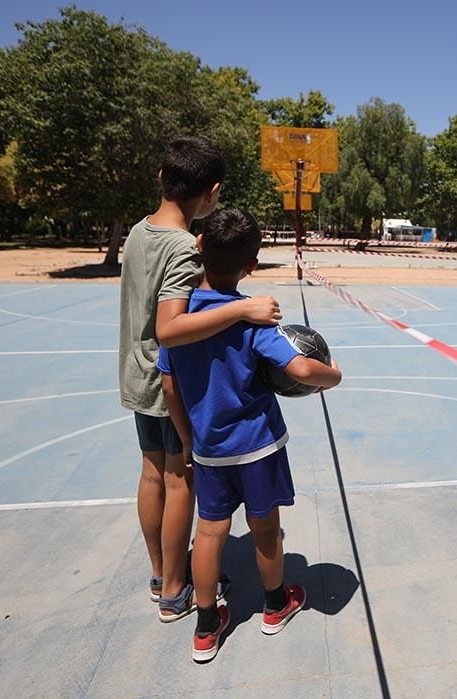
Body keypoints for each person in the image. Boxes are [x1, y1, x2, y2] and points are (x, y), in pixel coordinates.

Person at [157, 206, 342, 663]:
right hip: (258, 445)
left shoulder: (178, 320)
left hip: (210, 450)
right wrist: (334, 375)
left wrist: (186, 438)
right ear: (251, 265)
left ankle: (204, 627)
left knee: (211, 532)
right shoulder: (252, 320)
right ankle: (276, 605)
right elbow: (300, 368)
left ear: (199, 247)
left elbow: (168, 385)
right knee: (265, 530)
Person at [118, 136, 282, 622]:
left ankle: (159, 573)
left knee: (151, 474)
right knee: (180, 478)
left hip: (134, 373)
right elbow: (169, 328)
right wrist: (243, 307)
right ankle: (174, 588)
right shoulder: (184, 252)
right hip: (167, 383)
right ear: (212, 193)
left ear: (161, 178)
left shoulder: (138, 232)